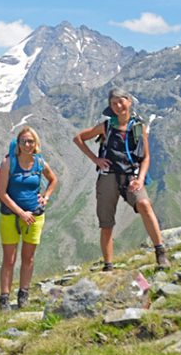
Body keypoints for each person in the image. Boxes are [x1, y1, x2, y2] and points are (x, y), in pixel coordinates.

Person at [73, 88, 170, 271]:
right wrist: (95, 159)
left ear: (129, 101)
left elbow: (146, 157)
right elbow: (78, 138)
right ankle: (108, 266)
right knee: (107, 223)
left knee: (145, 205)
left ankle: (160, 252)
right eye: (113, 103)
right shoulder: (107, 126)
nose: (118, 106)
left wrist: (140, 180)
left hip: (131, 177)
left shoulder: (138, 127)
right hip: (108, 178)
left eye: (121, 101)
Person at [0, 126, 58, 311]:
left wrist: (45, 197)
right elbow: (1, 192)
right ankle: (4, 298)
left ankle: (23, 294)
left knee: (28, 257)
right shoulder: (9, 163)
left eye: (31, 141)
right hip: (10, 216)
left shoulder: (39, 162)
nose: (27, 144)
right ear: (18, 144)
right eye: (24, 141)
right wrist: (21, 213)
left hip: (35, 215)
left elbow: (53, 179)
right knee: (9, 258)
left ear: (36, 143)